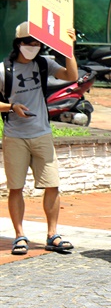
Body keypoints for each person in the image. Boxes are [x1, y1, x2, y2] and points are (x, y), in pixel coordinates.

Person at [0, 21, 78, 255]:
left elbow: (71, 75)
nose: (32, 47)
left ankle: (52, 234)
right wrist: (12, 107)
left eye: (37, 43)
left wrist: (69, 48)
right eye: (28, 43)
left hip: (42, 133)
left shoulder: (44, 64)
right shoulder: (5, 69)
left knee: (52, 183)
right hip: (15, 136)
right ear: (18, 44)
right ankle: (19, 235)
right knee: (16, 187)